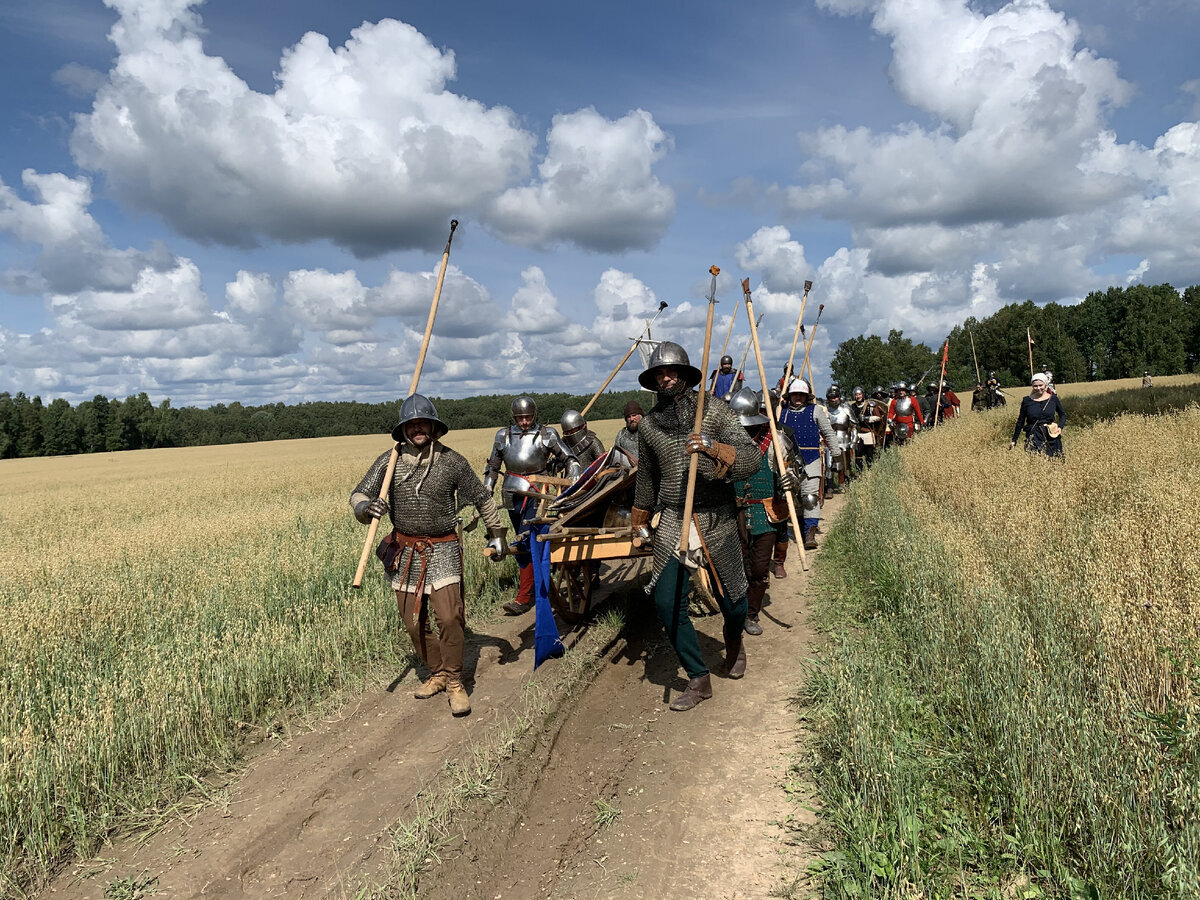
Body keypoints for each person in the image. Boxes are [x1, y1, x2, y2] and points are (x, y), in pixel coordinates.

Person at [351, 394, 507, 717]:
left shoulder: (451, 461)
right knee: (412, 622)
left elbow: (482, 498)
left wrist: (497, 533)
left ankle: (455, 682)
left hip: (443, 548)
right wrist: (366, 507)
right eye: (412, 425)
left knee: (449, 618)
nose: (418, 429)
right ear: (404, 429)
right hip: (405, 551)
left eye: (423, 423)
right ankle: (437, 672)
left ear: (434, 427)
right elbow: (358, 494)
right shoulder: (390, 461)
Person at [630, 342, 759, 711]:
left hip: (716, 516)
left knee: (734, 602)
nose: (665, 378)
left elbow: (751, 459)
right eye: (658, 374)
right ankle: (698, 678)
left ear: (685, 374)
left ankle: (733, 640)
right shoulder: (650, 426)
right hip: (674, 519)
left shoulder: (714, 412)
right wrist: (640, 522)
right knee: (667, 601)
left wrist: (714, 447)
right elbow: (647, 479)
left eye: (670, 371)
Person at [482, 396, 581, 616]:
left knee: (525, 540)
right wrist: (487, 487)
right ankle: (535, 585)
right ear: (514, 417)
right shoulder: (503, 436)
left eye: (528, 417)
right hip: (511, 492)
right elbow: (493, 466)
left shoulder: (547, 434)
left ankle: (524, 597)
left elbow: (569, 459)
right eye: (520, 418)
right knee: (522, 539)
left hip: (538, 492)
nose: (524, 422)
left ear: (534, 415)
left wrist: (573, 475)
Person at [730, 388, 797, 636]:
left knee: (759, 569)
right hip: (734, 513)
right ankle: (737, 611)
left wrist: (791, 479)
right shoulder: (728, 440)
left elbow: (792, 471)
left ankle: (751, 613)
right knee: (738, 567)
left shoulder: (776, 441)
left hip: (765, 513)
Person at [776, 378, 838, 550]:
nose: (798, 397)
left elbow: (828, 432)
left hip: (811, 459)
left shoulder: (815, 411)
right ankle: (801, 529)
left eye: (801, 395)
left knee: (810, 498)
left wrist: (836, 452)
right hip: (788, 461)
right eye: (795, 394)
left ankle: (810, 533)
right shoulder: (781, 411)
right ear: (790, 395)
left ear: (806, 396)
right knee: (793, 498)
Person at [1010, 373, 1067, 457]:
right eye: (1035, 386)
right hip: (1034, 435)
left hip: (1051, 435)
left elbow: (1062, 414)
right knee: (1036, 460)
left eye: (1040, 385)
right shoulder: (1027, 401)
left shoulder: (1053, 399)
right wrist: (1014, 440)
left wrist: (1060, 427)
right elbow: (1020, 421)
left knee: (1055, 460)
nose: (1038, 388)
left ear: (1045, 384)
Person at [824, 384, 856, 492]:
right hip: (828, 440)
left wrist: (853, 441)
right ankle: (830, 487)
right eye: (831, 397)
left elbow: (854, 426)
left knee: (845, 464)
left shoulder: (846, 409)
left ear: (839, 397)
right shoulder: (825, 410)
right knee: (829, 465)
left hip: (844, 439)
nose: (833, 399)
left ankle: (844, 484)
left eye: (835, 397)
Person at [850, 386, 882, 470]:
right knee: (858, 455)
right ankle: (859, 473)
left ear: (863, 395)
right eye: (856, 395)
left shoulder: (869, 405)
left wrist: (866, 418)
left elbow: (878, 417)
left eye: (859, 394)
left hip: (868, 433)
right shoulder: (852, 407)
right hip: (858, 434)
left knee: (869, 455)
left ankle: (870, 471)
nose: (858, 396)